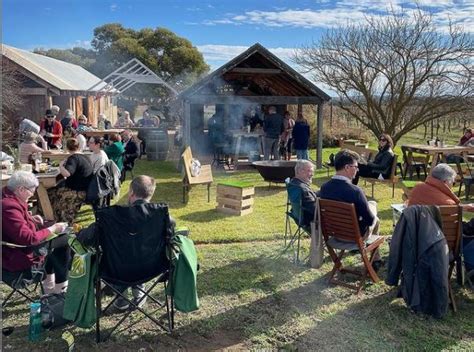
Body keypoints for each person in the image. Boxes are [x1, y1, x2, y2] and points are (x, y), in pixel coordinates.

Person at [76, 175, 160, 310]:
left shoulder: (111, 217)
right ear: (151, 193)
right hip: (152, 268)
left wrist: (78, 233)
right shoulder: (160, 216)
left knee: (121, 256)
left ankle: (121, 298)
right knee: (135, 253)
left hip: (115, 269)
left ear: (131, 192)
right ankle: (139, 295)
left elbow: (88, 238)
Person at [2, 171, 69, 293]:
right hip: (16, 256)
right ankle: (60, 289)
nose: (33, 194)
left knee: (53, 241)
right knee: (64, 239)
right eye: (32, 190)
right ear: (21, 189)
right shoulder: (9, 206)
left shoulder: (6, 195)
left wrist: (29, 218)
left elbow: (12, 224)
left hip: (13, 248)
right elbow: (28, 238)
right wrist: (52, 229)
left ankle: (50, 285)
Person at [318, 149, 382, 269]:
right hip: (354, 237)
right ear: (347, 167)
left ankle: (376, 258)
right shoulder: (355, 191)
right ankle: (375, 260)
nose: (357, 170)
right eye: (356, 167)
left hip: (335, 234)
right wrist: (372, 211)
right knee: (375, 216)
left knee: (372, 207)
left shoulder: (324, 188)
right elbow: (369, 220)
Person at [47, 138, 94, 223]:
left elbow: (67, 174)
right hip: (86, 188)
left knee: (50, 193)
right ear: (78, 146)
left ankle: (57, 219)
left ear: (67, 148)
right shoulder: (85, 156)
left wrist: (61, 166)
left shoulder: (73, 158)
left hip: (77, 191)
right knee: (54, 190)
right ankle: (56, 218)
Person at [408, 163, 474, 212]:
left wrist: (462, 207)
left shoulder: (417, 188)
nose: (452, 186)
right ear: (446, 182)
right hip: (440, 230)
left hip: (414, 229)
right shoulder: (448, 204)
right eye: (453, 183)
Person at [287, 160, 317, 228]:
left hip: (299, 217)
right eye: (310, 171)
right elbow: (315, 210)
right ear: (300, 171)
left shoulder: (293, 183)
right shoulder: (302, 189)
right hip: (310, 222)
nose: (312, 174)